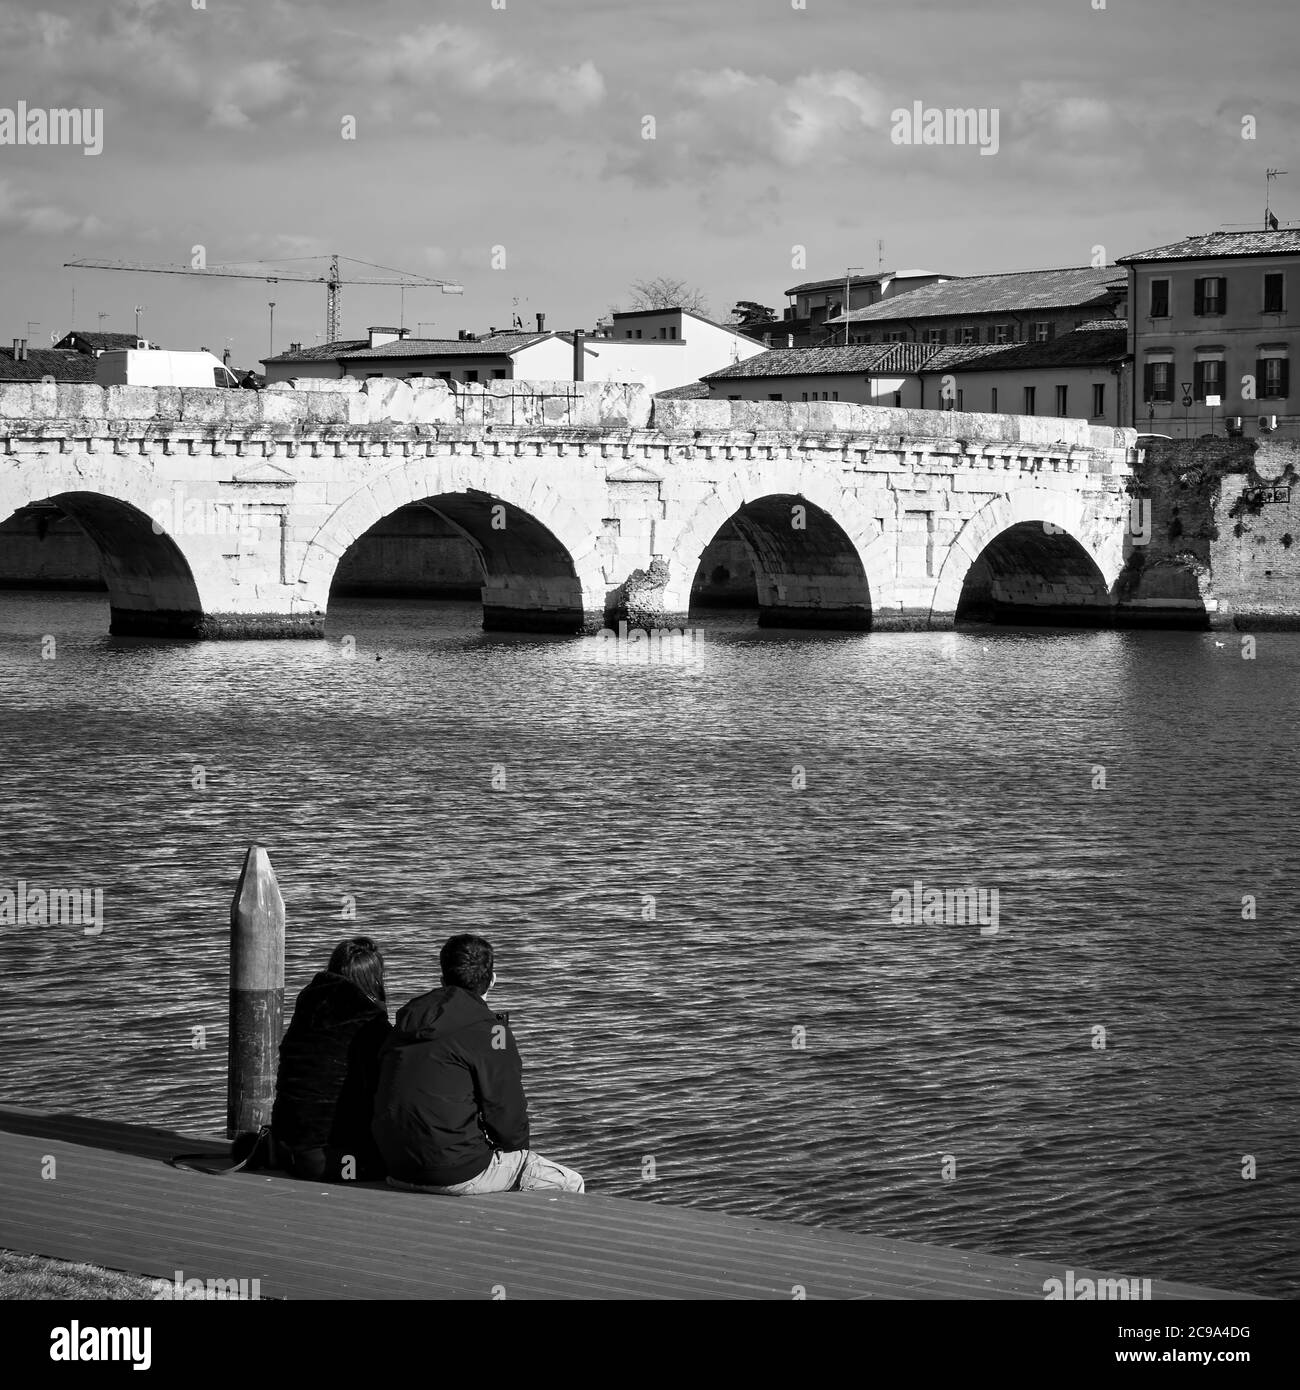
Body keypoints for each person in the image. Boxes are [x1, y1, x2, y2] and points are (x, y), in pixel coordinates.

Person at [373, 933, 584, 1195]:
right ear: (492, 980)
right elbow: (508, 1119)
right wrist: (514, 1156)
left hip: (396, 1167)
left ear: (442, 979)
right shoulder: (493, 1033)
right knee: (570, 1182)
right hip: (454, 1171)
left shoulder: (405, 1022)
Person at [271, 936, 392, 1182]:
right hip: (333, 1159)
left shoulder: (308, 1005)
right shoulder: (370, 1025)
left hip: (285, 1146)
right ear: (374, 979)